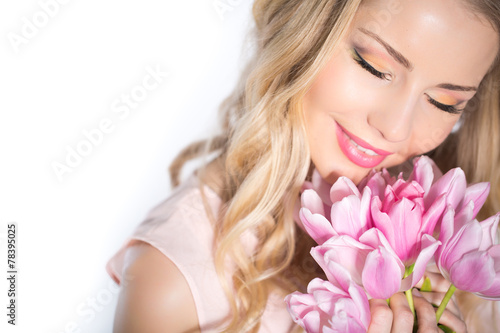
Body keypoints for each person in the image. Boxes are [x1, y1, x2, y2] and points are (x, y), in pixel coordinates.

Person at [106, 0, 500, 332]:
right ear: (306, 33)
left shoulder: (461, 246)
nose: (395, 129)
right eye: (373, 66)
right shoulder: (173, 285)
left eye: (445, 103)